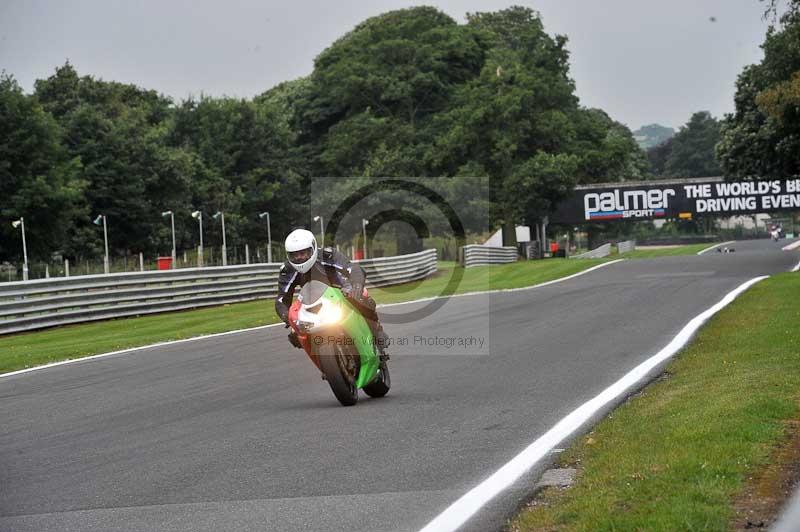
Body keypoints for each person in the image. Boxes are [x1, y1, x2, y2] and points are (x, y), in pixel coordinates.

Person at [275, 228, 390, 359]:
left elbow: (353, 269)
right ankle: (321, 361)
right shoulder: (287, 270)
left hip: (340, 291)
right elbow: (281, 300)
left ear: (313, 248)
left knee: (361, 296)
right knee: (294, 335)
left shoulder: (327, 255)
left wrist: (356, 287)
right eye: (294, 255)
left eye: (303, 253)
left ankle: (377, 331)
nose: (299, 258)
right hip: (311, 301)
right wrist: (287, 317)